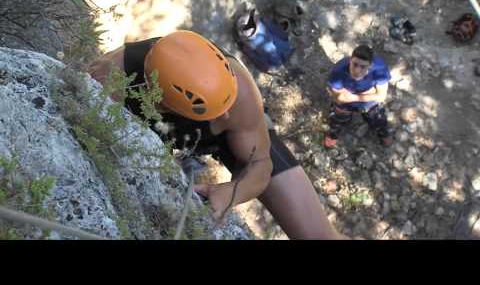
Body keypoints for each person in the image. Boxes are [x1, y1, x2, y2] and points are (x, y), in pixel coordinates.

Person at [88, 30, 345, 240]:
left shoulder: (239, 94)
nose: (224, 118)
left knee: (320, 236)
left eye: (225, 106)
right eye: (214, 112)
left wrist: (231, 192)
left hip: (216, 129)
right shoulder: (109, 83)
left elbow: (260, 164)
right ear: (164, 104)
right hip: (150, 128)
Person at [324, 44, 393, 148]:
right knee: (337, 120)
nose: (357, 71)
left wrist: (353, 97)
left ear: (370, 66)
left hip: (369, 103)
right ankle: (333, 135)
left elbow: (381, 97)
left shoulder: (380, 68)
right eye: (355, 64)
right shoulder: (338, 71)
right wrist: (371, 92)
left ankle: (383, 133)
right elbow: (339, 99)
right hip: (348, 105)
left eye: (363, 67)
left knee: (378, 119)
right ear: (350, 60)